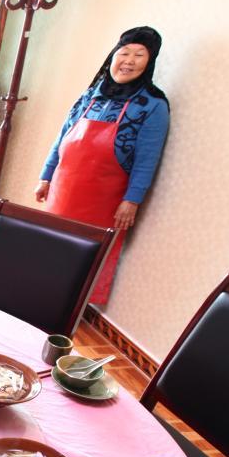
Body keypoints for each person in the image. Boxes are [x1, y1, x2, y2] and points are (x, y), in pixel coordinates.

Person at [34, 26, 170, 305]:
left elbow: (147, 159)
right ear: (112, 56)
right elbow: (63, 136)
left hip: (104, 199)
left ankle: (68, 312)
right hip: (64, 187)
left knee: (88, 258)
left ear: (150, 62)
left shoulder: (153, 105)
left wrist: (132, 200)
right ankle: (40, 299)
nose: (129, 60)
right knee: (52, 248)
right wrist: (46, 175)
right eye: (124, 52)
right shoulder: (91, 94)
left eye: (139, 55)